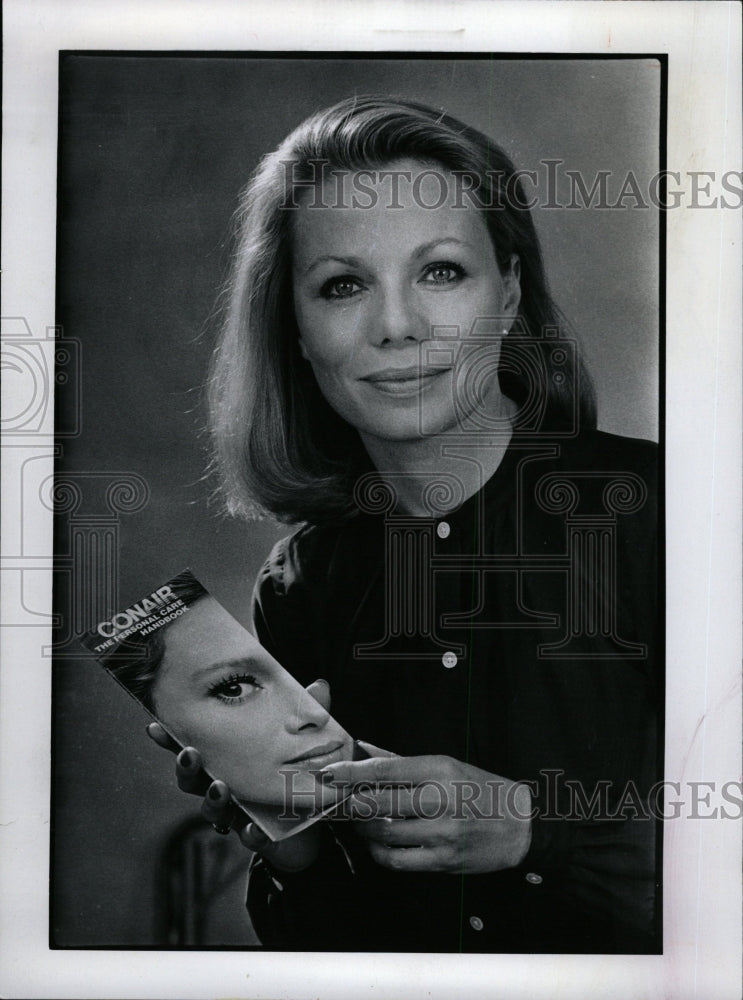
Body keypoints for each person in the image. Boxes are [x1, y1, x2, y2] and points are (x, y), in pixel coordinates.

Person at [150, 96, 660, 953]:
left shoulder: (680, 514)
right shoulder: (300, 587)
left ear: (509, 295)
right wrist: (299, 849)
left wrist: (538, 831)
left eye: (440, 272)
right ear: (294, 330)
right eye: (343, 285)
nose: (396, 328)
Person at [99, 570, 356, 841]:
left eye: (295, 680)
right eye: (234, 688)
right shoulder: (281, 578)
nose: (316, 712)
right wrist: (302, 865)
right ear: (165, 728)